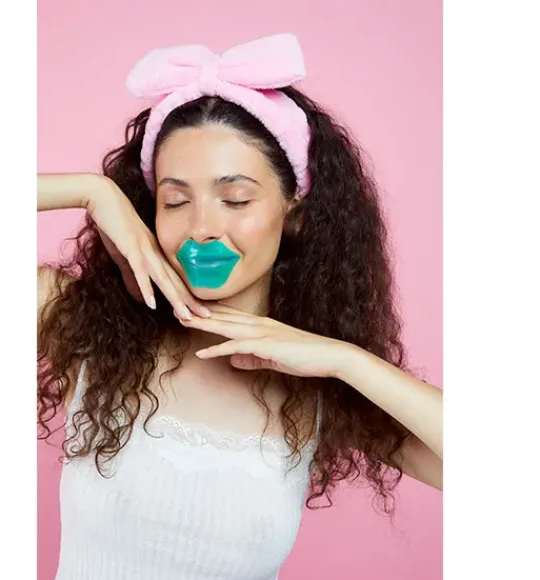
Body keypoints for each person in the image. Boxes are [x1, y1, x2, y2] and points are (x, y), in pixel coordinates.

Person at [37, 33, 442, 580]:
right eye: (175, 201)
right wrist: (92, 192)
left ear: (295, 212)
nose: (202, 228)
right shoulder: (85, 329)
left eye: (236, 199)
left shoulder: (321, 390)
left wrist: (347, 360)